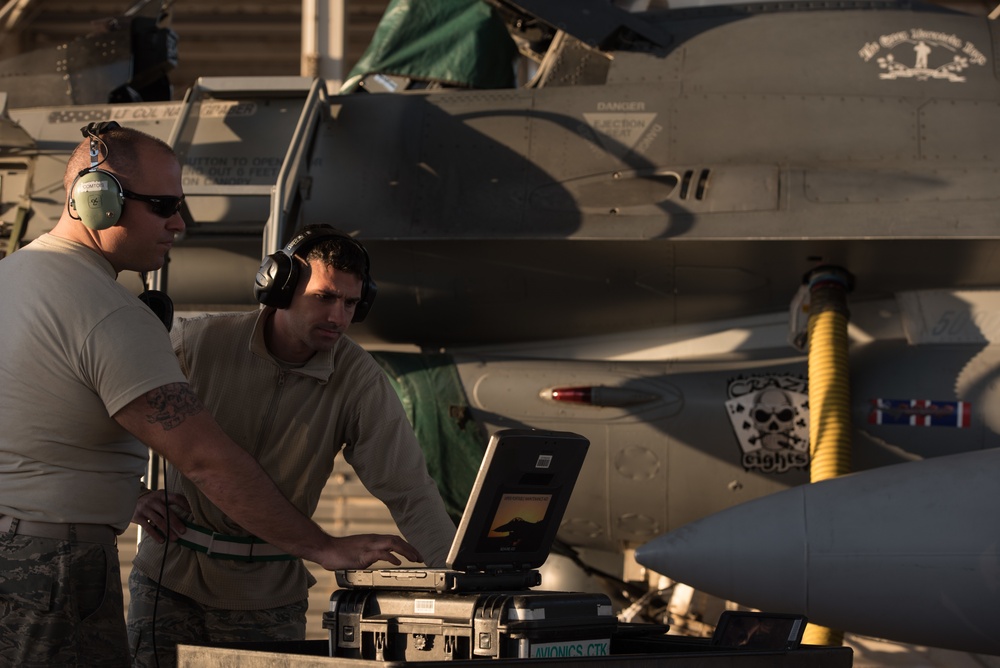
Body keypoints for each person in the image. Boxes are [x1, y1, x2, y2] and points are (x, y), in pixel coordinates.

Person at [0, 123, 420, 667]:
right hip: (54, 570)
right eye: (163, 205)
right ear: (96, 201)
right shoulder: (109, 313)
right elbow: (206, 461)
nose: (179, 223)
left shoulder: (14, 276)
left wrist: (120, 493)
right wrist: (325, 547)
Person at [126, 224, 457, 666]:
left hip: (267, 599)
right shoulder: (198, 342)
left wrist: (461, 582)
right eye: (324, 297)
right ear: (279, 287)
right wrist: (130, 493)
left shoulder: (359, 379)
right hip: (170, 584)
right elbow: (110, 405)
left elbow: (410, 489)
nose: (339, 317)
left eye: (351, 303)